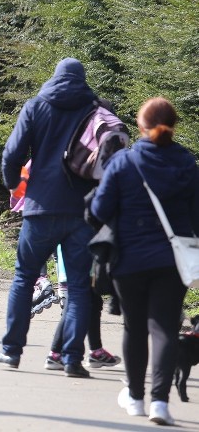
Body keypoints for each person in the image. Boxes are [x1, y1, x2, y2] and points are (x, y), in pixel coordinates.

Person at [91, 97, 199, 425]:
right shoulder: (186, 163)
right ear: (174, 124)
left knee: (134, 327)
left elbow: (99, 210)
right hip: (172, 261)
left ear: (140, 126)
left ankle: (136, 398)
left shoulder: (124, 162)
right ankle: (160, 404)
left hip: (129, 259)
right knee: (164, 328)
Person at [0, 58, 99, 378]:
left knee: (24, 278)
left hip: (40, 208)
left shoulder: (36, 106)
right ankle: (72, 358)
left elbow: (12, 154)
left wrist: (15, 184)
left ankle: (11, 351)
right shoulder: (94, 110)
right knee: (79, 287)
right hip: (81, 211)